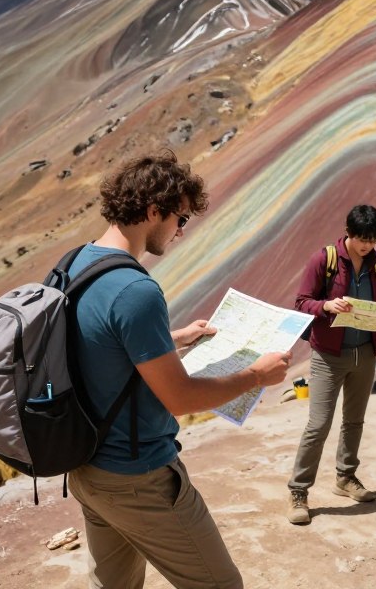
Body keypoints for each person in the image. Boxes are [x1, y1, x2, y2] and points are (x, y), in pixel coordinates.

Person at [66, 151, 291, 589]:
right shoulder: (136, 291)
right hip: (139, 478)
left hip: (86, 468)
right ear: (153, 211)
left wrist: (172, 338)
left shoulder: (75, 264)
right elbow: (181, 398)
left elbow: (98, 343)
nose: (181, 231)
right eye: (181, 218)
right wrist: (256, 376)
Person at [286, 204, 376, 525]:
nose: (367, 245)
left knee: (354, 421)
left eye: (373, 240)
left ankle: (346, 478)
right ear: (348, 233)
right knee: (318, 424)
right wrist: (327, 305)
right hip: (328, 356)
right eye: (362, 239)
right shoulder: (325, 260)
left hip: (364, 353)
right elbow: (302, 301)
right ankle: (298, 491)